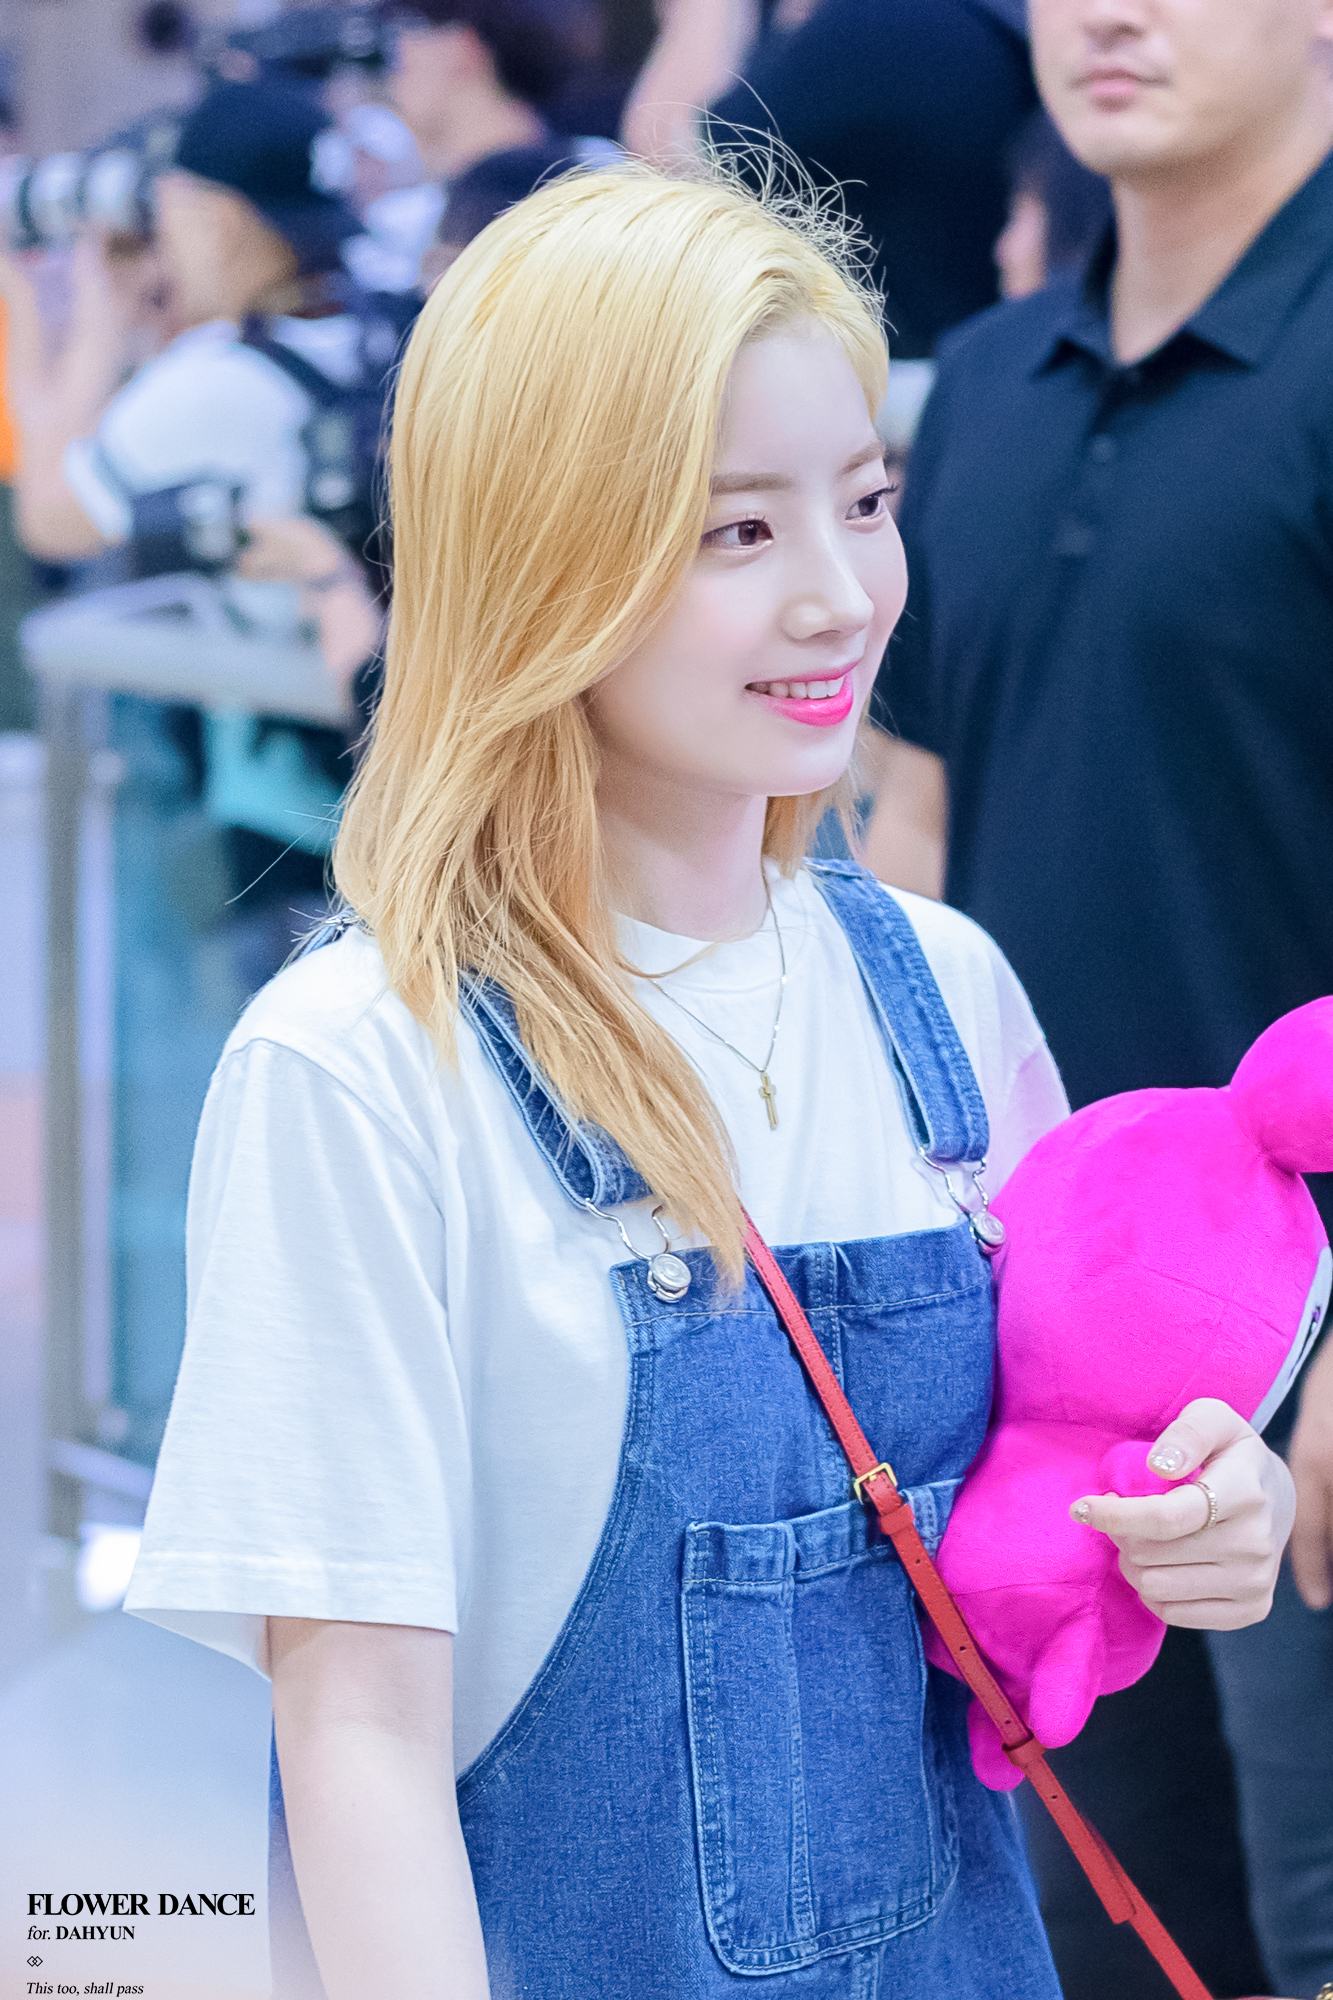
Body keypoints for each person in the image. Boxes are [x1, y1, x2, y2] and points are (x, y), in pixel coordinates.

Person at [122, 163, 1294, 2000]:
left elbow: (1058, 1487)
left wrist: (1211, 1519)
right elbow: (354, 1745)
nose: (841, 597)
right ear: (543, 554)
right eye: (736, 531)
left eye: (867, 503)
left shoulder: (944, 996)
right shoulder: (360, 1067)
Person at [864, 0, 1333, 1993]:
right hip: (1033, 1353)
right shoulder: (985, 381)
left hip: (1302, 1332)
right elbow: (904, 826)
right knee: (1094, 1932)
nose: (1106, 16)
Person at [1, 78, 389, 987]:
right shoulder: (384, 322)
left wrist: (84, 318)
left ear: (215, 224)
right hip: (384, 777)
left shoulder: (216, 378)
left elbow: (51, 519)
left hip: (284, 815)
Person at [623, 0, 1038, 359]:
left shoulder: (877, 27)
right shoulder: (973, 22)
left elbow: (667, 156)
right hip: (971, 362)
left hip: (893, 393)